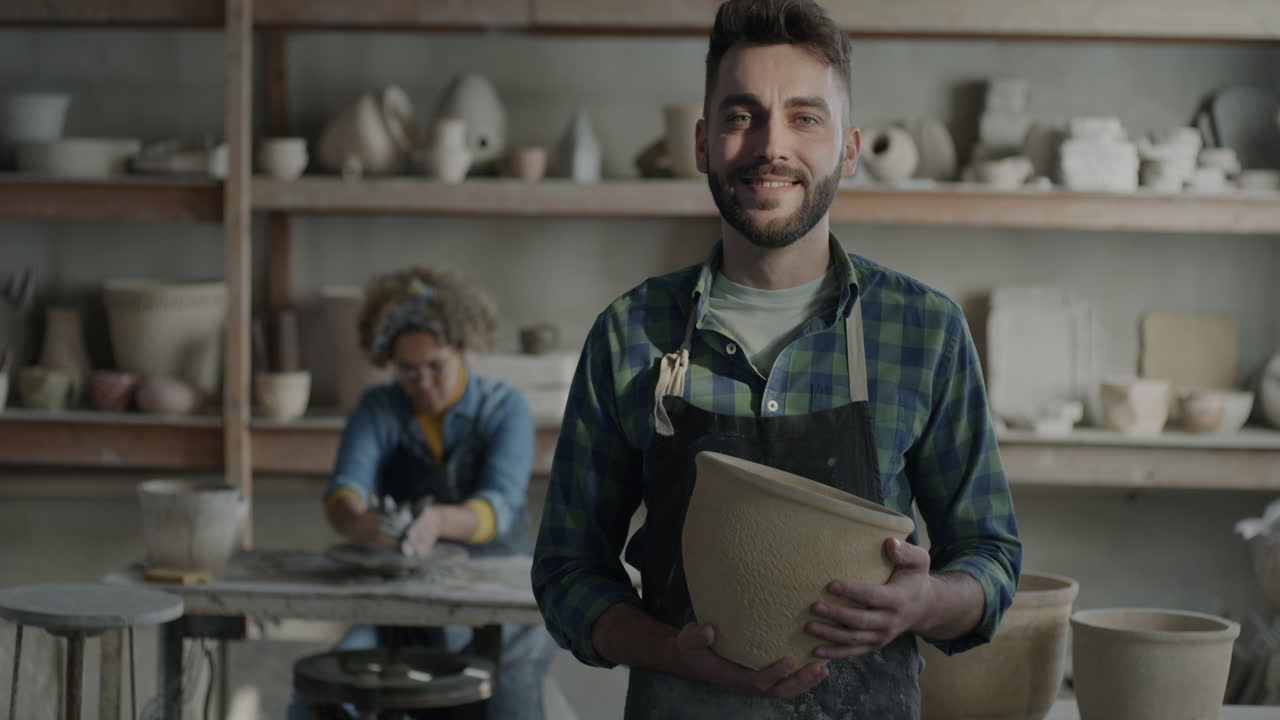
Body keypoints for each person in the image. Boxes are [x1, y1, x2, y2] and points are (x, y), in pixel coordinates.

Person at [531, 1, 1022, 717]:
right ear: (702, 144)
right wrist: (669, 649)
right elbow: (567, 572)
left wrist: (925, 602)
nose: (770, 146)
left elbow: (991, 558)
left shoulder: (925, 333)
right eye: (740, 116)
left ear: (849, 150)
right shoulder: (629, 335)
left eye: (804, 117)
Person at [288, 266, 557, 720]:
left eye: (435, 366)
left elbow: (499, 506)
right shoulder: (380, 407)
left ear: (462, 349)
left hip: (500, 592)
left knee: (496, 697)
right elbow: (344, 488)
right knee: (321, 692)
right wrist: (357, 521)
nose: (424, 384)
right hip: (406, 600)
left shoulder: (503, 407)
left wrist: (436, 523)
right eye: (409, 372)